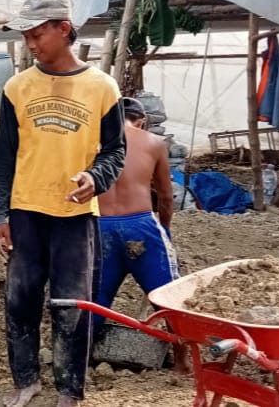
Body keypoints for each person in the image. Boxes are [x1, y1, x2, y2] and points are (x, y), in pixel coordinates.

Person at [0, 0, 126, 407]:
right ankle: (25, 381)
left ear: (64, 29)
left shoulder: (102, 88)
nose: (31, 44)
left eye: (37, 34)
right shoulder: (17, 88)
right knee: (20, 301)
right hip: (26, 211)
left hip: (75, 214)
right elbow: (4, 157)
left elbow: (115, 150)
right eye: (26, 36)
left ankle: (70, 391)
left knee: (71, 306)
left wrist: (96, 177)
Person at [92, 97, 186, 371]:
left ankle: (80, 358)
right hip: (141, 225)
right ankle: (181, 361)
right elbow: (167, 197)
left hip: (101, 226)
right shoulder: (154, 143)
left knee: (95, 297)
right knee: (167, 295)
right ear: (142, 120)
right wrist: (164, 230)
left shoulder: (91, 143)